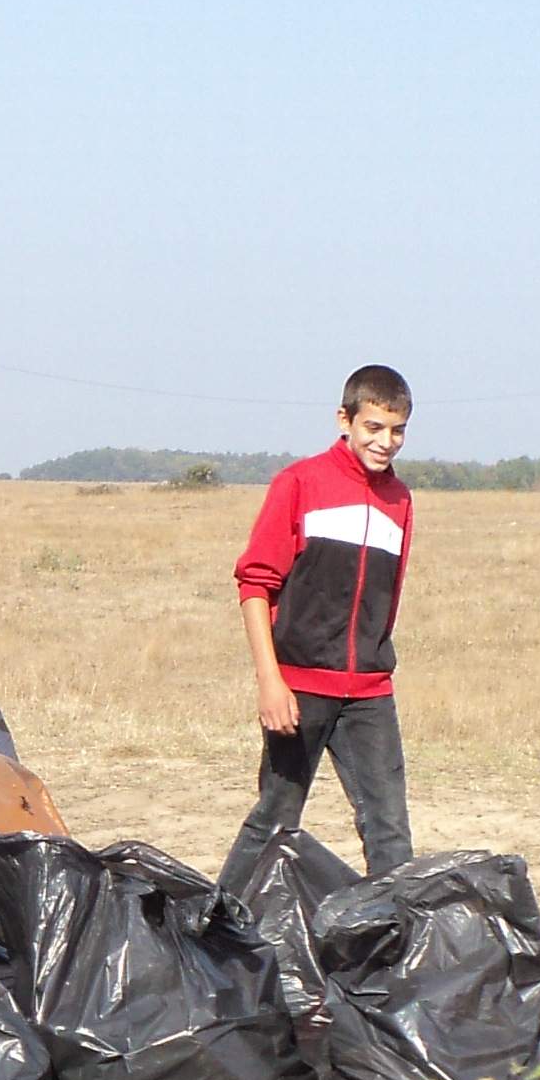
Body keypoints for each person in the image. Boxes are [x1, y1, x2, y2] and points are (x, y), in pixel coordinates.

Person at [217, 366, 418, 895]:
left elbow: (385, 599)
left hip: (370, 693)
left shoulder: (400, 500)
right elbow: (255, 585)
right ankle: (214, 929)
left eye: (397, 430)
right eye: (373, 427)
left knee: (391, 832)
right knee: (275, 822)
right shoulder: (301, 483)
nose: (385, 442)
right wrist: (271, 681)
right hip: (300, 687)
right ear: (344, 420)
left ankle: (393, 937)